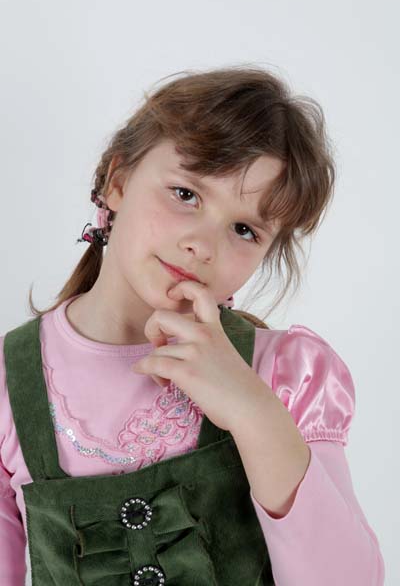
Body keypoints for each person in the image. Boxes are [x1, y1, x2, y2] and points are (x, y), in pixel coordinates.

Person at [0, 66, 385, 585]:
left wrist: (253, 411)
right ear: (118, 181)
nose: (202, 245)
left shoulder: (286, 375)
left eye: (244, 229)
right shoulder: (10, 384)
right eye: (185, 194)